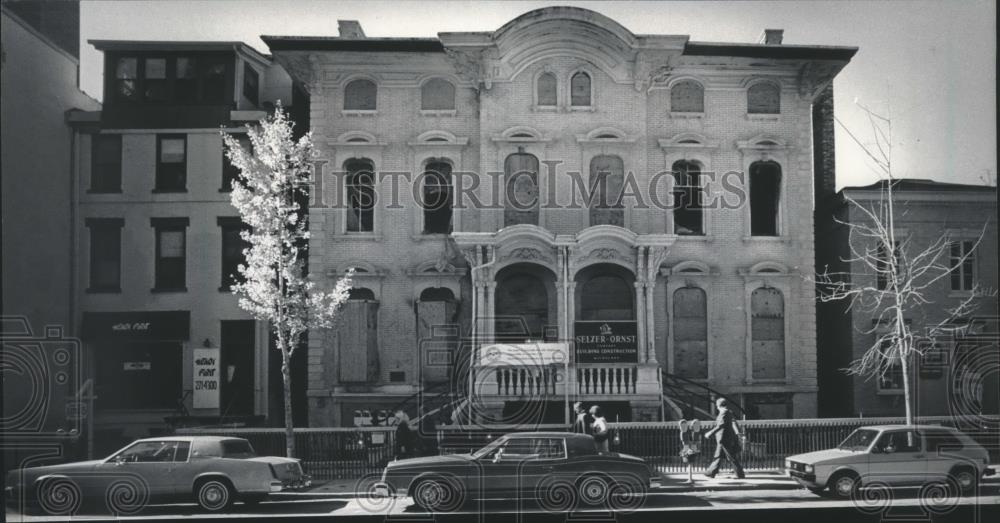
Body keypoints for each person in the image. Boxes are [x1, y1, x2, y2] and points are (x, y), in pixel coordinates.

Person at [703, 398, 745, 479]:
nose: (716, 407)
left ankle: (740, 474)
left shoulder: (724, 412)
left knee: (731, 457)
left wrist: (710, 432)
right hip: (725, 439)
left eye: (717, 405)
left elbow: (720, 425)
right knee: (719, 456)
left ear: (718, 405)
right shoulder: (728, 412)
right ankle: (710, 472)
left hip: (724, 439)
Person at [678, 419, 702, 484]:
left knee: (690, 463)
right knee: (689, 463)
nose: (684, 427)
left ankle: (690, 478)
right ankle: (690, 478)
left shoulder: (695, 433)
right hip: (688, 449)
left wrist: (696, 447)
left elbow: (697, 441)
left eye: (698, 425)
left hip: (691, 449)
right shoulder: (683, 433)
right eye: (682, 426)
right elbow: (684, 443)